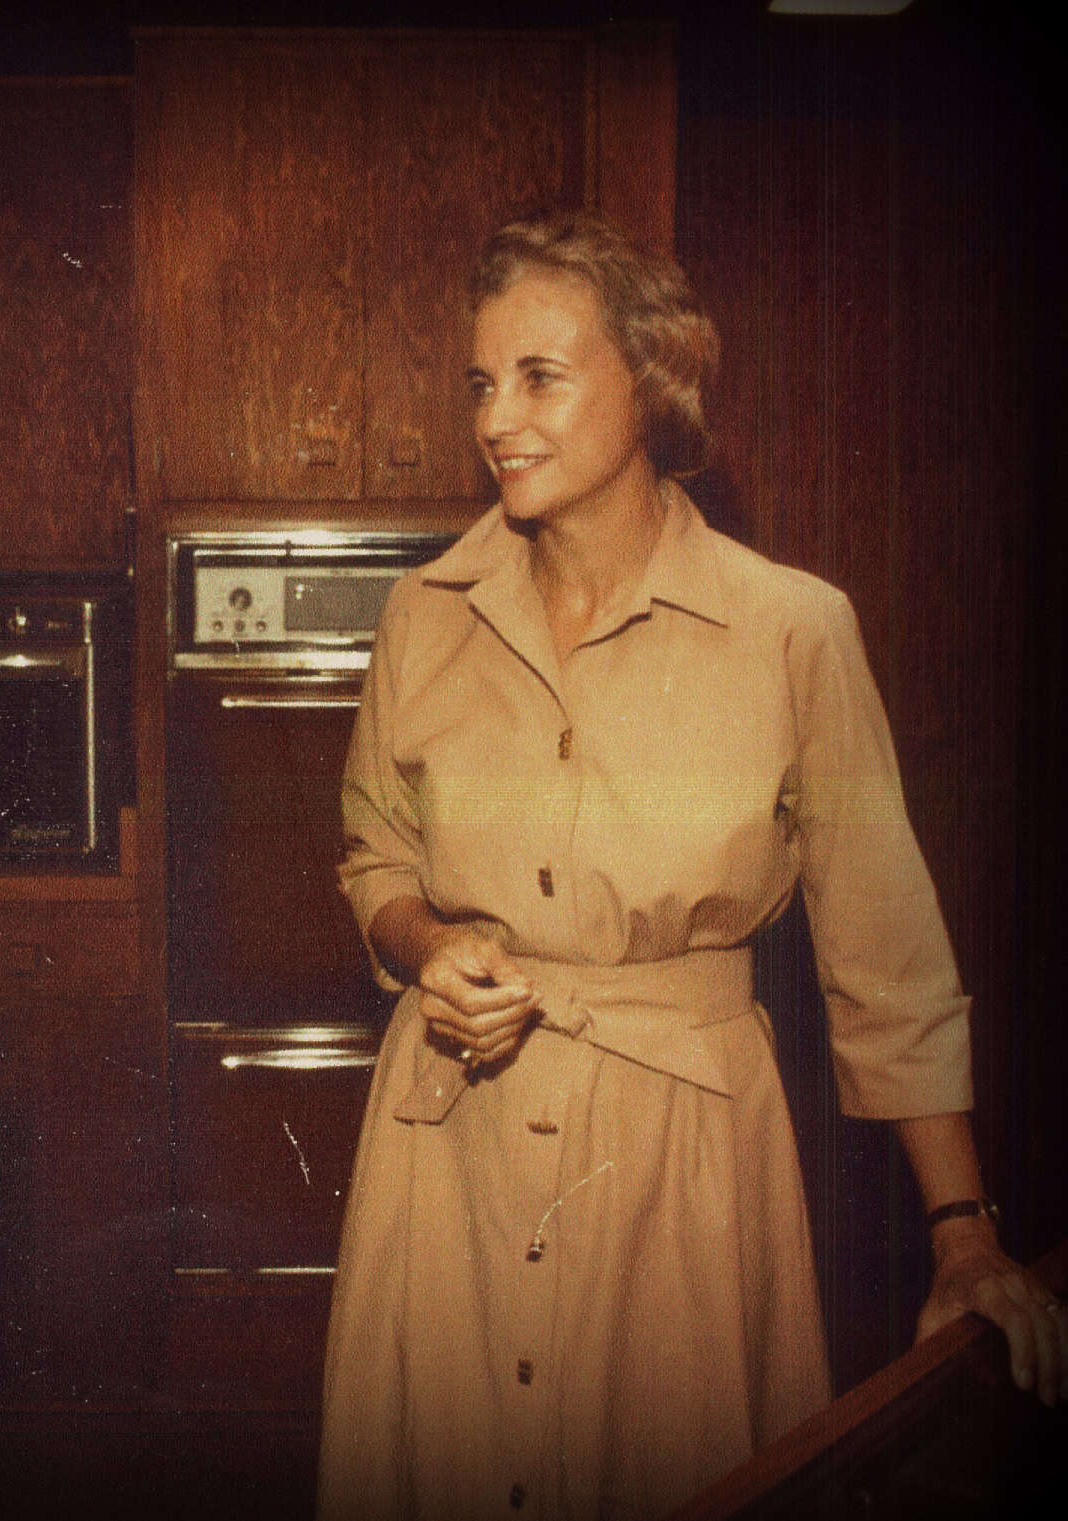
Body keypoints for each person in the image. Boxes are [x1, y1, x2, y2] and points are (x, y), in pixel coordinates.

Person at [316, 209, 1065, 1521]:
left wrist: (962, 1230)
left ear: (653, 381)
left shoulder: (789, 631)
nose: (498, 417)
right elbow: (372, 856)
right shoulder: (420, 615)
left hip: (685, 1169)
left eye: (540, 375)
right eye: (481, 382)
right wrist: (429, 948)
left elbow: (884, 950)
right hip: (448, 1146)